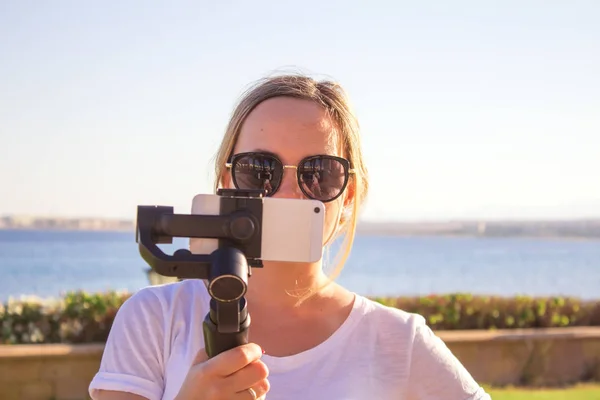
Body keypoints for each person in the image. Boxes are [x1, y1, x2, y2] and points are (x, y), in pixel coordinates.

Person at [89, 73, 491, 400]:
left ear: (348, 195)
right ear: (227, 180)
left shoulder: (399, 341)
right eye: (260, 169)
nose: (287, 194)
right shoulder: (154, 319)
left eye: (319, 172)